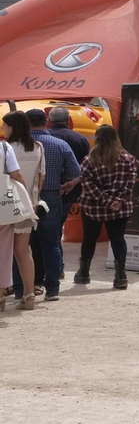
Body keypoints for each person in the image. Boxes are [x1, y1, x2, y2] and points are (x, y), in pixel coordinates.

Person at [20, 109, 80, 301]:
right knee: (51, 243)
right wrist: (68, 184)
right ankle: (52, 288)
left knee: (22, 245)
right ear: (46, 121)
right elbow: (75, 172)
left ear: (26, 123)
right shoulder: (60, 144)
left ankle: (24, 288)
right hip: (52, 196)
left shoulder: (16, 146)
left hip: (22, 196)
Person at [76, 125, 138, 290]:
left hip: (93, 207)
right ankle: (120, 276)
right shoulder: (128, 158)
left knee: (89, 239)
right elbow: (130, 182)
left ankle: (83, 273)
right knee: (117, 238)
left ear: (97, 138)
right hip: (120, 208)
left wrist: (104, 200)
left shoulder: (89, 159)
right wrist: (118, 200)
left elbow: (87, 183)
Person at [0, 118, 40, 312]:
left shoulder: (8, 147)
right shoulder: (38, 147)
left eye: (4, 126)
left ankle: (2, 293)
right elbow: (41, 175)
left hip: (4, 204)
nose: (2, 129)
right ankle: (29, 294)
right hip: (23, 204)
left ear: (11, 127)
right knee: (24, 252)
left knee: (3, 250)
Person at [45, 107, 90, 214]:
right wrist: (73, 183)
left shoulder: (41, 138)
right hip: (70, 190)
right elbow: (87, 165)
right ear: (68, 119)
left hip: (44, 190)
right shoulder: (79, 139)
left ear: (49, 120)